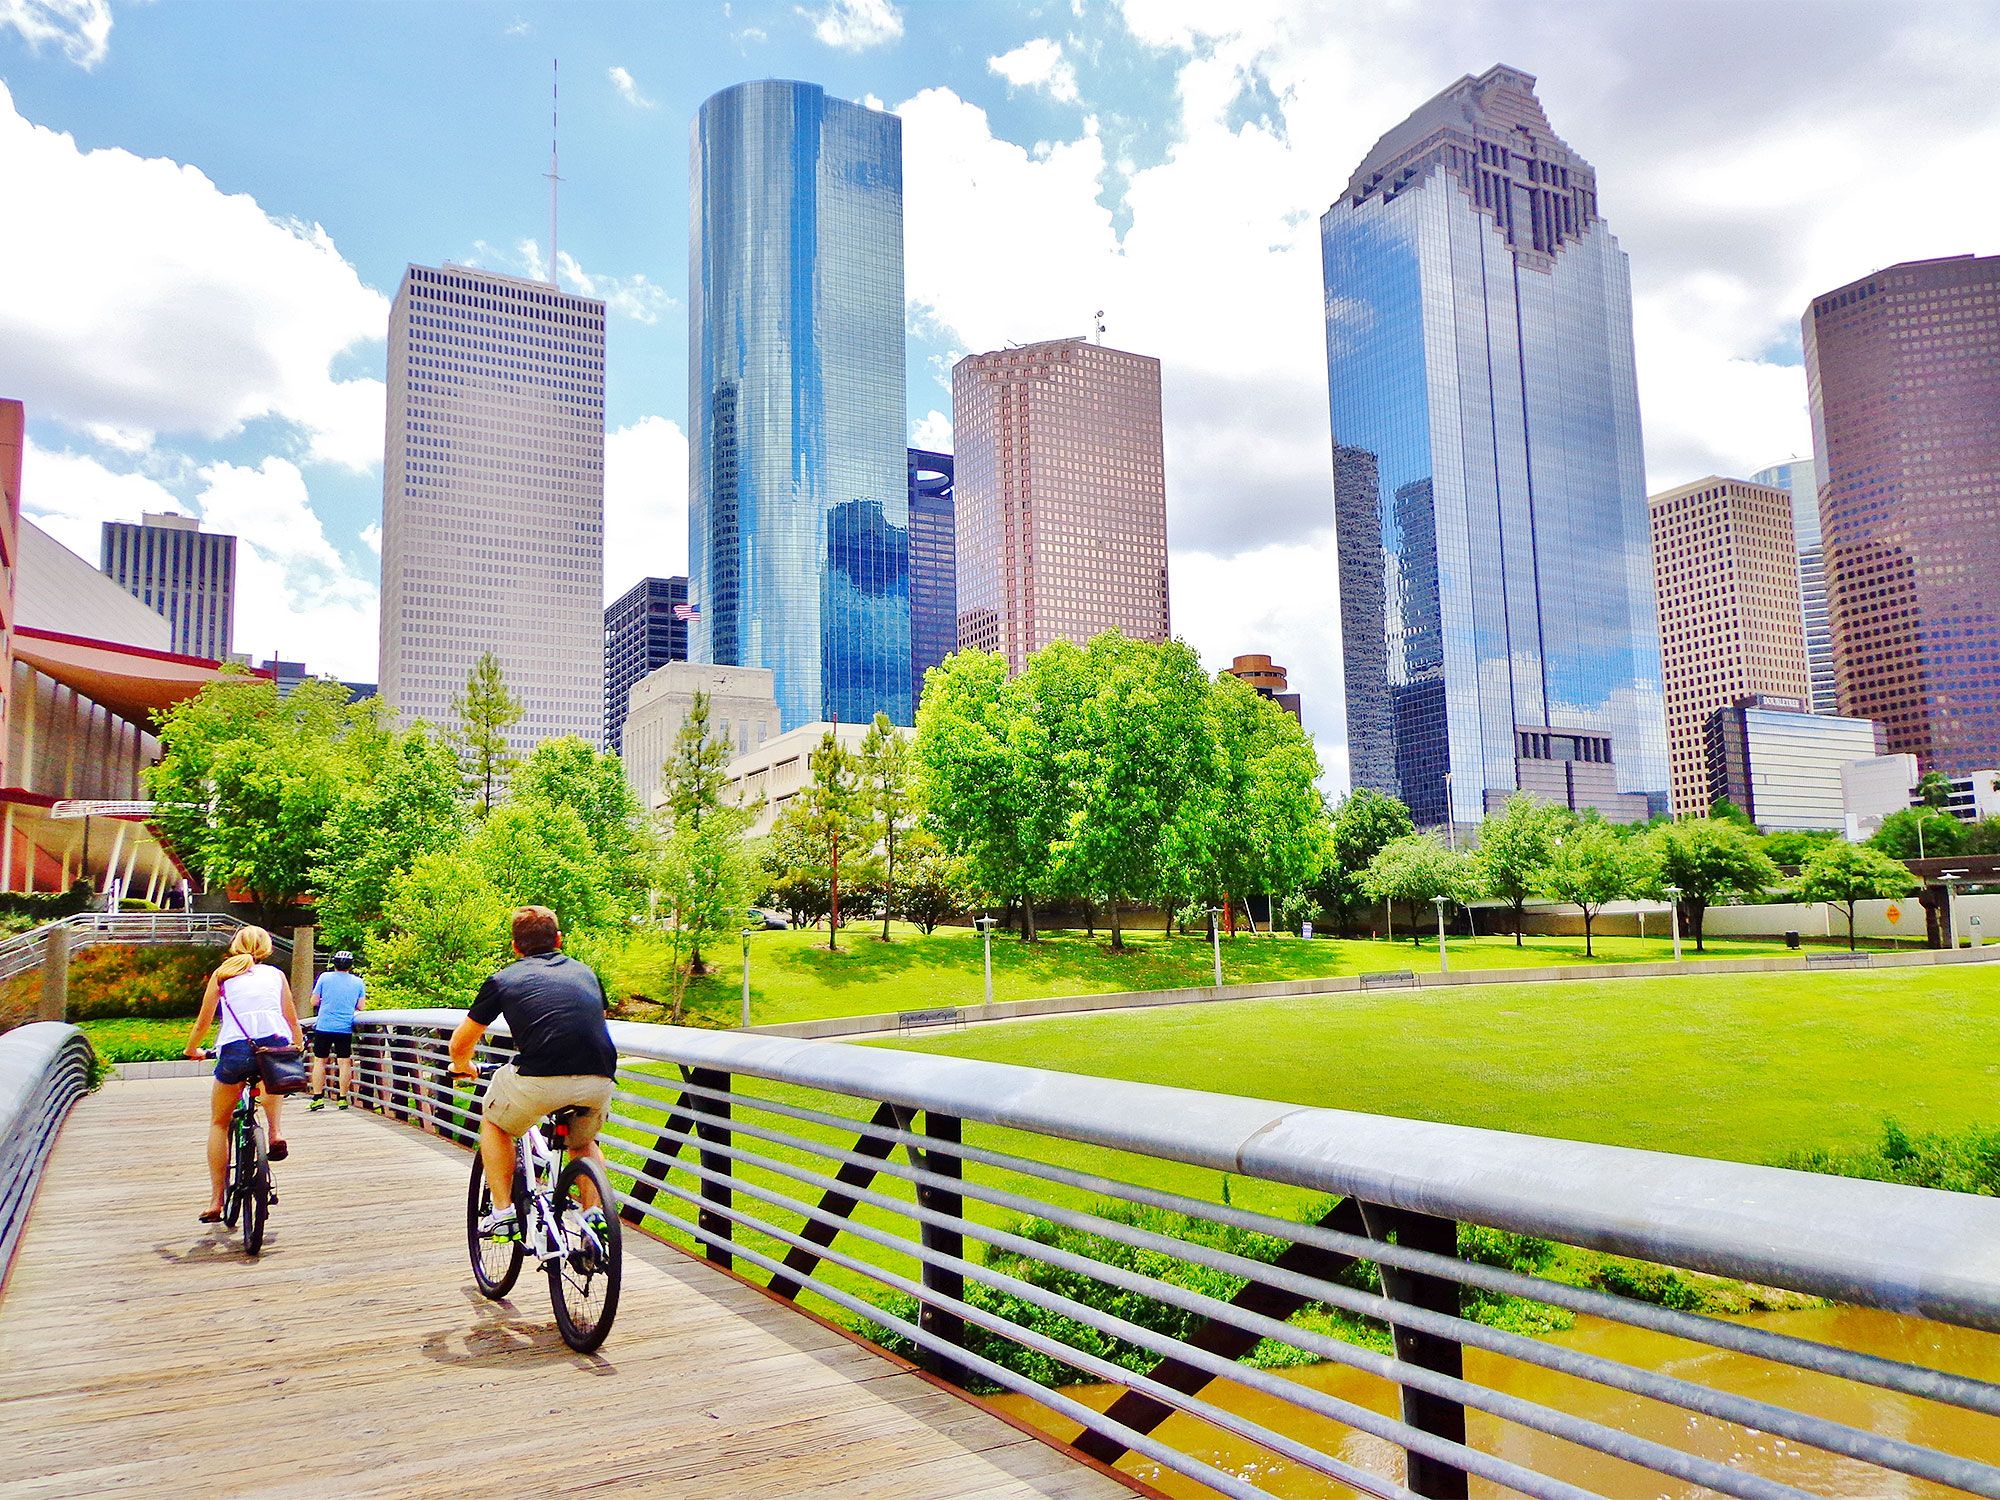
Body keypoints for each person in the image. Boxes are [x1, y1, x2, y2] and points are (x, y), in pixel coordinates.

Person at [448, 906, 617, 1243]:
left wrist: (463, 1066)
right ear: (558, 940)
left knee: (495, 1123)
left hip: (540, 1077)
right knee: (582, 1143)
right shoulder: (586, 972)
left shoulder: (503, 979)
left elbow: (460, 1042)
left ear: (515, 946)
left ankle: (502, 1214)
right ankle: (593, 1215)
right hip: (598, 1075)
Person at [184, 925, 302, 1223]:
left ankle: (216, 1200)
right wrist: (297, 1045)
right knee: (271, 1077)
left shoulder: (223, 974)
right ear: (267, 948)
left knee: (219, 1122)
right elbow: (290, 1018)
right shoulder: (276, 975)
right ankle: (275, 1133)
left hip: (236, 1050)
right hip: (273, 1046)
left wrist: (192, 1049)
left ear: (236, 945)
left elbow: (203, 1021)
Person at [307, 951, 365, 1110]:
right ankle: (342, 1098)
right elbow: (361, 1006)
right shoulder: (358, 982)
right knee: (344, 1062)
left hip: (324, 1025)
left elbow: (313, 1001)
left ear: (334, 963)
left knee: (320, 1060)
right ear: (351, 966)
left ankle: (318, 1097)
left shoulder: (324, 977)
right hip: (345, 1027)